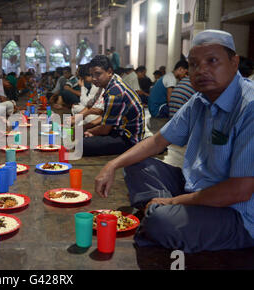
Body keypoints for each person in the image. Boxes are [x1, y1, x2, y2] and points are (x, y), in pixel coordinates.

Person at [95, 29, 254, 253]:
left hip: (235, 212)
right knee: (134, 164)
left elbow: (239, 191)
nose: (202, 70)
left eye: (212, 61)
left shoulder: (249, 107)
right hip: (196, 186)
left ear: (234, 62)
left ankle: (162, 215)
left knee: (161, 222)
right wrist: (112, 165)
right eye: (194, 64)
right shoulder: (200, 100)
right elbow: (157, 142)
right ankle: (162, 213)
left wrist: (173, 202)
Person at [82, 55, 145, 156]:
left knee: (81, 145)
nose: (94, 79)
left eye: (98, 74)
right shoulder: (113, 82)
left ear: (109, 72)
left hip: (129, 139)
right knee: (86, 138)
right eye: (92, 75)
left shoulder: (114, 92)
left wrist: (88, 131)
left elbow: (105, 129)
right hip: (118, 130)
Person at [71, 64, 101, 128]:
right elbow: (89, 104)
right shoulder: (95, 84)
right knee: (76, 108)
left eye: (84, 78)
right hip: (94, 109)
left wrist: (82, 87)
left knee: (86, 117)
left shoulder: (97, 84)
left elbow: (86, 103)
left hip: (98, 113)